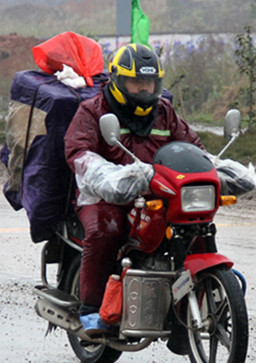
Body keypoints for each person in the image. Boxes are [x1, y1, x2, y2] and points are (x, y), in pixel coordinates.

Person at [64, 43, 205, 335]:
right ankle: (90, 311)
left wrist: (213, 167)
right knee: (108, 230)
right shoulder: (92, 111)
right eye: (136, 82)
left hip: (158, 195)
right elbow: (79, 153)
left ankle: (190, 305)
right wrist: (114, 178)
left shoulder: (164, 111)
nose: (144, 89)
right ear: (117, 81)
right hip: (104, 197)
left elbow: (193, 147)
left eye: (149, 82)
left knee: (196, 229)